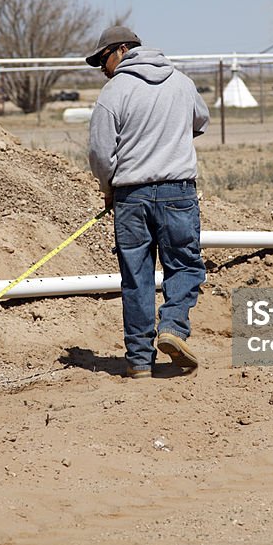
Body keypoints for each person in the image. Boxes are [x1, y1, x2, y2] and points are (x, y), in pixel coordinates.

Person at [85, 26, 210, 379]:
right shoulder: (181, 83)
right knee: (184, 265)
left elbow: (99, 152)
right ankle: (172, 326)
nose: (103, 70)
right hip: (178, 193)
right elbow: (201, 121)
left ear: (122, 50)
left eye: (103, 60)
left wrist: (108, 186)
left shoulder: (114, 92)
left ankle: (140, 361)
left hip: (130, 197)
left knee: (136, 276)